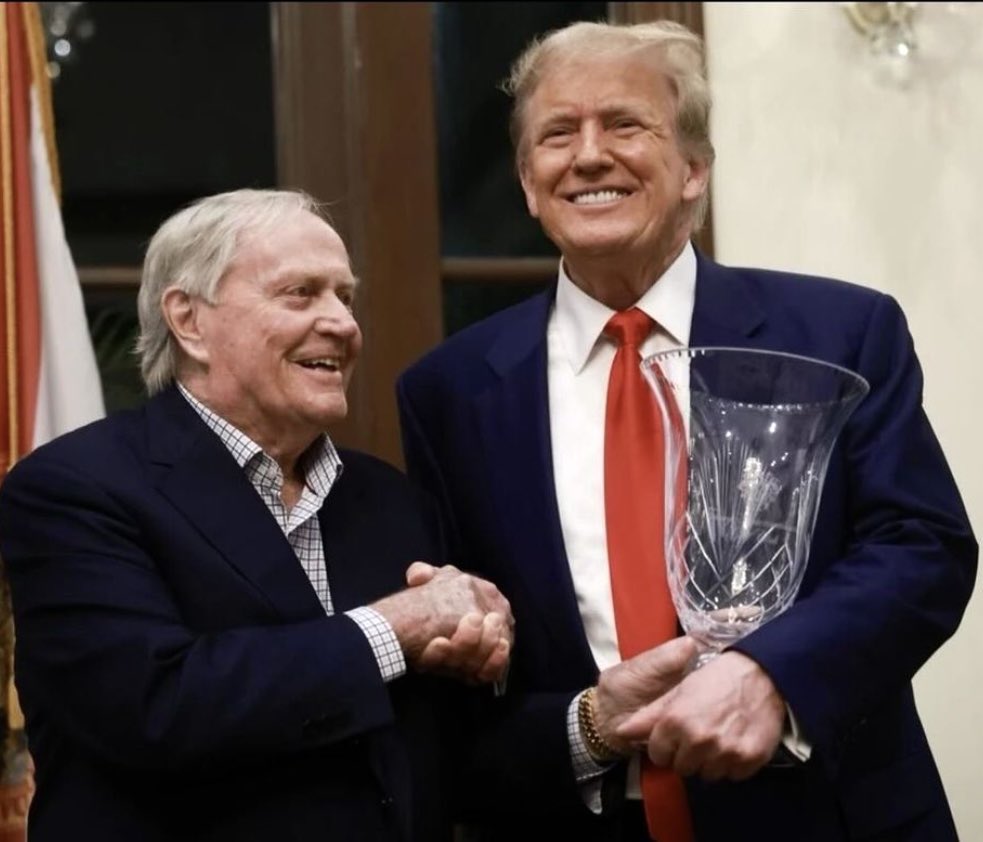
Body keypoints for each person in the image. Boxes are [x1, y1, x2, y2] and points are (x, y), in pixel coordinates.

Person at [396, 19, 978, 842]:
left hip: (826, 816)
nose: (589, 154)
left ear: (694, 169)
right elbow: (467, 677)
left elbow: (922, 549)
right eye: (557, 134)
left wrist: (769, 676)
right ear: (529, 183)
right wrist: (586, 730)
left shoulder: (836, 330)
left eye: (624, 124)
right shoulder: (449, 391)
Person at [0, 188, 517, 842]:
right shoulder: (73, 488)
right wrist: (396, 626)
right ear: (189, 322)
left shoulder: (390, 500)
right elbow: (156, 708)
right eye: (300, 293)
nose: (342, 323)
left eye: (345, 296)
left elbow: (442, 750)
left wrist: (499, 663)